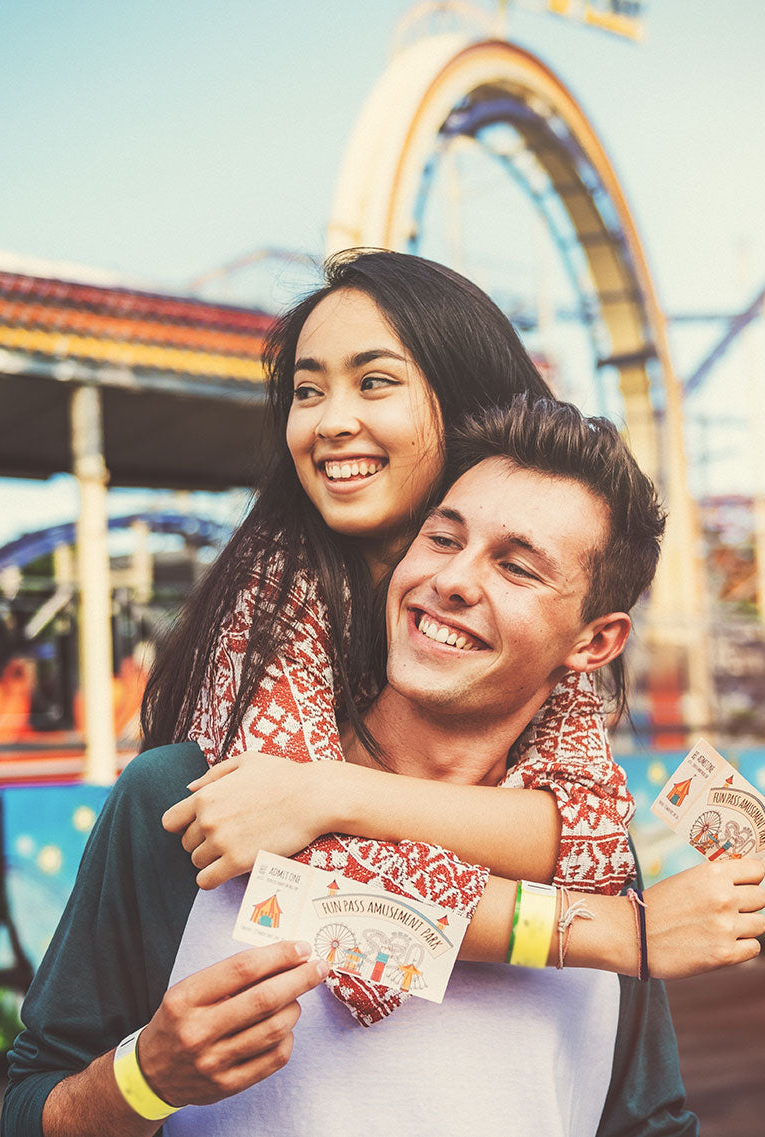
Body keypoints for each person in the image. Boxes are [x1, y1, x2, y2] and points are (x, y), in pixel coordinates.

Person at [4, 397, 765, 1136]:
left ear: (594, 643)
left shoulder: (589, 861)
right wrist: (144, 1078)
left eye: (517, 567)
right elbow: (30, 1108)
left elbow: (646, 1124)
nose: (454, 579)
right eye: (443, 538)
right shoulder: (190, 795)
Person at [139, 251, 643, 1027]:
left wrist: (336, 792)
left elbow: (597, 839)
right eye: (308, 391)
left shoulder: (541, 639)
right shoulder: (272, 599)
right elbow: (319, 898)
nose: (332, 419)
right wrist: (602, 930)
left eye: (374, 381)